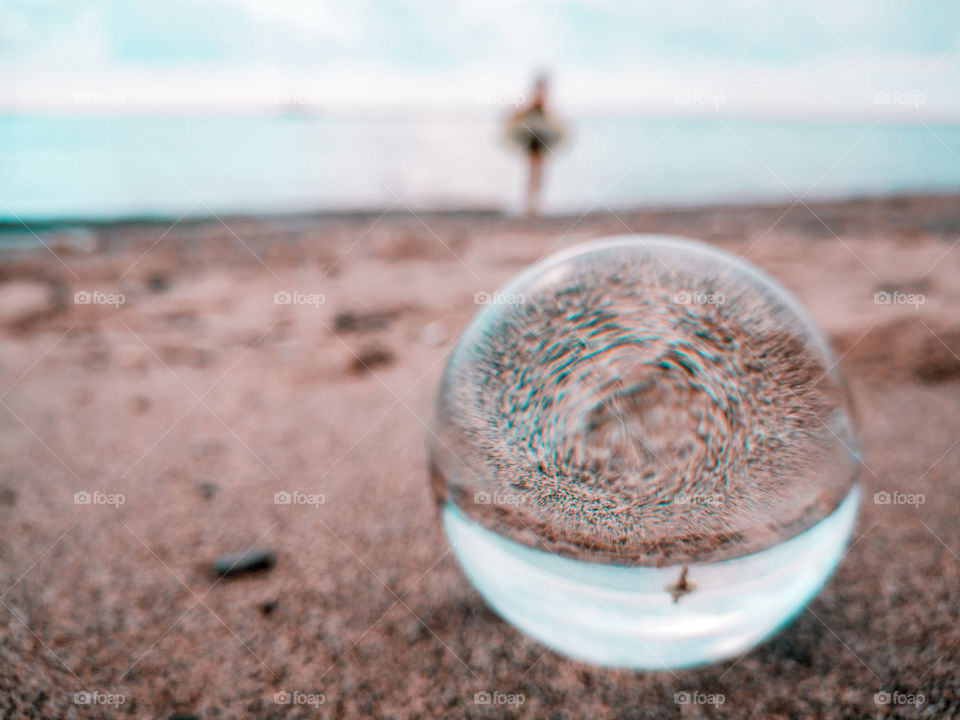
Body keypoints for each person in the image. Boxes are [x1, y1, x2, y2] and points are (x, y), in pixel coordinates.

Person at [506, 74, 564, 216]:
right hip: (535, 141)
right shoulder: (538, 96)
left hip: (536, 140)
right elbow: (524, 112)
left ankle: (532, 204)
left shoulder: (535, 96)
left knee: (535, 173)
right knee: (536, 173)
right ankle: (532, 206)